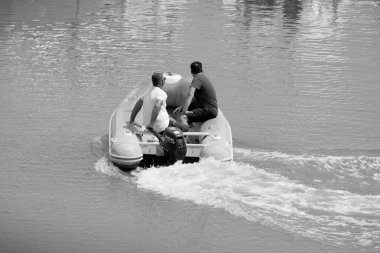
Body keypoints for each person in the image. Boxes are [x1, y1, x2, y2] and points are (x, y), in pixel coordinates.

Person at [174, 61, 218, 129]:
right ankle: (188, 125)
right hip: (209, 108)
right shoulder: (203, 77)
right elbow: (194, 98)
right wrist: (182, 107)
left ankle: (185, 137)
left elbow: (190, 95)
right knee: (181, 111)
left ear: (191, 71)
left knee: (183, 117)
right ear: (201, 69)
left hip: (208, 110)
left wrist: (184, 111)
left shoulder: (197, 79)